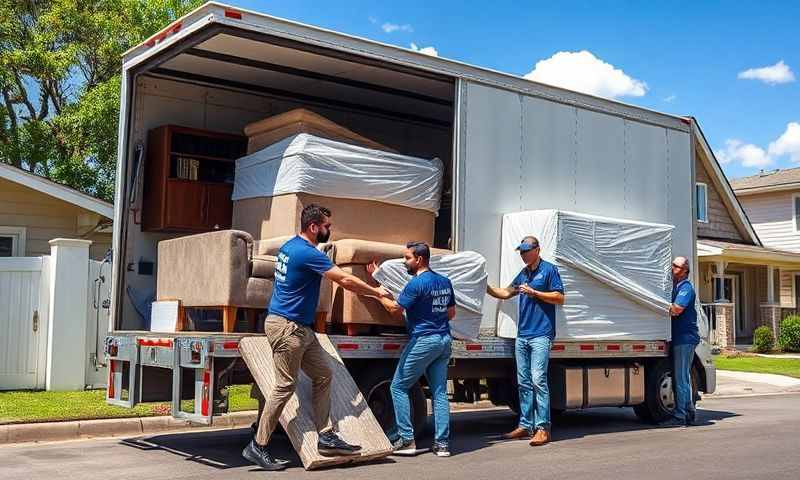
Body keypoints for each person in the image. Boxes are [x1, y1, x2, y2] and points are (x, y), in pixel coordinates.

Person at [243, 204, 392, 470]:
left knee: (324, 374)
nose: (329, 230)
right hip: (288, 328)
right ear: (313, 227)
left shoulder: (289, 247)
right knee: (284, 387)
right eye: (326, 226)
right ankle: (259, 444)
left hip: (301, 328)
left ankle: (325, 435)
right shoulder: (306, 253)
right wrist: (377, 292)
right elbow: (345, 281)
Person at [367, 241, 456, 458]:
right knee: (440, 392)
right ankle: (442, 444)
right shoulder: (444, 282)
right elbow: (451, 313)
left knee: (398, 387)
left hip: (424, 341)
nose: (404, 261)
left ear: (419, 259)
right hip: (444, 340)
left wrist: (378, 294)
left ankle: (407, 440)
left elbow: (396, 310)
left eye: (407, 258)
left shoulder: (417, 285)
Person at [486, 236, 564, 446]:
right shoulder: (523, 274)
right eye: (521, 251)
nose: (523, 255)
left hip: (541, 334)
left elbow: (560, 297)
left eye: (527, 250)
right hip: (522, 335)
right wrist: (485, 286)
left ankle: (543, 429)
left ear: (537, 250)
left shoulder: (549, 270)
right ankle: (525, 425)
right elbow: (505, 293)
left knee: (539, 380)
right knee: (523, 382)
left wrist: (535, 292)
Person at [661, 256, 700, 428]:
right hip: (679, 338)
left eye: (676, 267)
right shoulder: (676, 287)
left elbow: (676, 310)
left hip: (685, 338)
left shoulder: (686, 288)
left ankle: (681, 415)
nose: (672, 269)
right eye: (673, 265)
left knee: (681, 377)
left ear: (684, 270)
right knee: (681, 376)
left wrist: (655, 304)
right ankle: (689, 411)